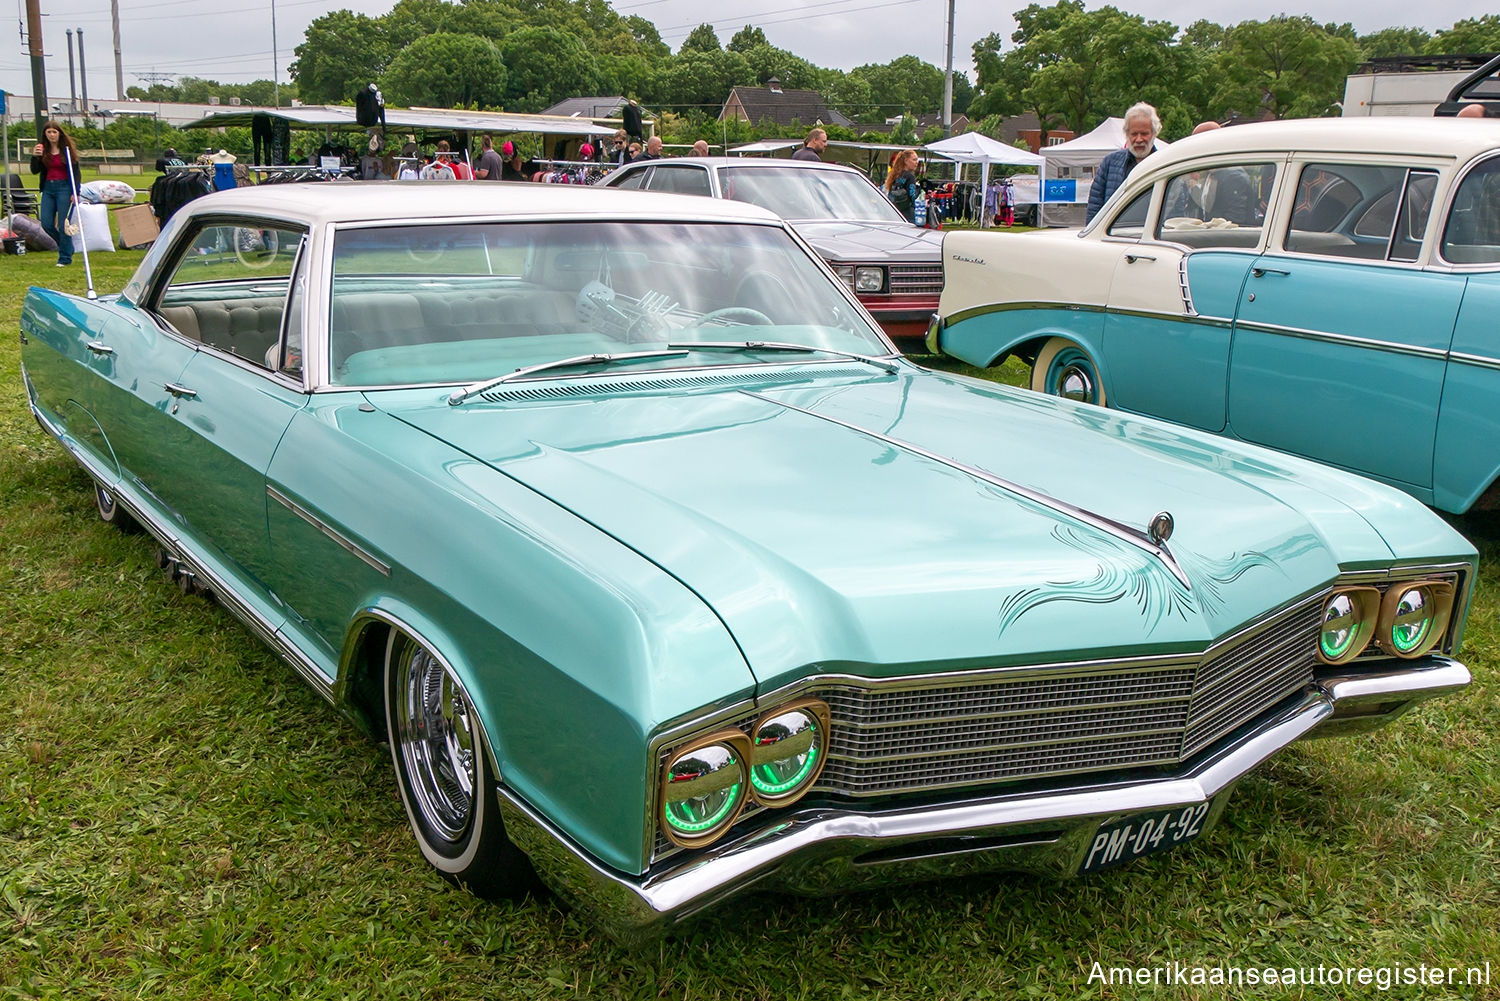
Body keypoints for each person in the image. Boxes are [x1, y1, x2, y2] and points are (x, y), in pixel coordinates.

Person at [1085, 102, 1162, 224]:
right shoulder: (1110, 163)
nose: (1139, 139)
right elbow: (1095, 207)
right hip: (1112, 237)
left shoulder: (1163, 164)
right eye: (1134, 134)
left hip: (1150, 237)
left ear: (1154, 133)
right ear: (1127, 134)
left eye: (1144, 133)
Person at [30, 120, 81, 267]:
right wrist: (35, 157)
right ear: (45, 134)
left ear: (59, 133)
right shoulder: (43, 150)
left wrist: (75, 192)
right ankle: (67, 247)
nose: (52, 135)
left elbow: (76, 173)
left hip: (64, 187)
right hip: (48, 188)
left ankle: (64, 258)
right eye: (49, 132)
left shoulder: (67, 150)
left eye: (54, 132)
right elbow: (35, 170)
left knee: (63, 225)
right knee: (46, 224)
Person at [883, 149, 922, 224]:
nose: (916, 162)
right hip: (908, 213)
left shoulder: (895, 175)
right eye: (914, 160)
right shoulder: (910, 177)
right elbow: (912, 196)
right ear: (906, 161)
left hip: (896, 212)